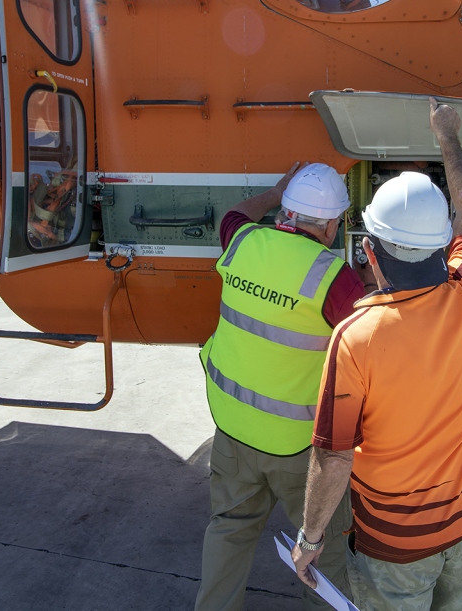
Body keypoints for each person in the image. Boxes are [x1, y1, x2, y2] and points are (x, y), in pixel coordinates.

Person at [291, 98, 462, 611]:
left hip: (396, 542)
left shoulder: (356, 336)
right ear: (442, 244)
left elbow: (333, 456)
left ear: (369, 251)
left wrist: (310, 538)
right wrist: (447, 136)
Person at [195, 162, 373, 611]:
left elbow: (234, 215)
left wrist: (274, 192)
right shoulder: (335, 278)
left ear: (287, 212)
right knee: (321, 551)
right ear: (332, 226)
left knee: (228, 530)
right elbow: (370, 340)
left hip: (233, 428)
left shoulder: (243, 241)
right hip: (299, 448)